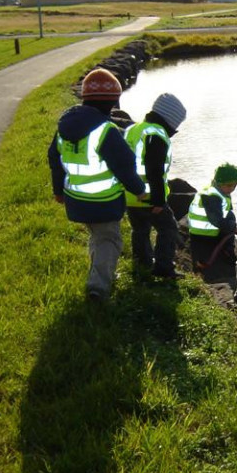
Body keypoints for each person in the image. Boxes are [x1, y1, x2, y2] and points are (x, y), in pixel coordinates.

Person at [48, 68, 148, 301]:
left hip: (75, 200)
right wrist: (139, 190)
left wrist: (57, 191)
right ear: (110, 103)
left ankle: (99, 274)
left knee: (97, 237)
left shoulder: (64, 127)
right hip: (104, 202)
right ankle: (98, 287)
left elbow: (54, 159)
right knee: (110, 240)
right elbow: (124, 166)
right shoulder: (106, 131)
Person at [124, 93, 187, 280]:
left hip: (130, 194)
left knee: (140, 230)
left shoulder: (134, 129)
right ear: (170, 120)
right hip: (150, 196)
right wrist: (159, 199)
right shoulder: (156, 134)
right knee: (168, 229)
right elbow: (154, 169)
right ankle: (163, 267)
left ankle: (142, 264)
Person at [187, 163, 237, 271]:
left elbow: (226, 212)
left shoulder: (219, 191)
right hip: (202, 234)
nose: (232, 188)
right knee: (229, 226)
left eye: (235, 185)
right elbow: (216, 219)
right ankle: (226, 254)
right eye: (228, 185)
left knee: (230, 216)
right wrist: (233, 228)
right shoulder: (211, 196)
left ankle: (224, 253)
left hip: (207, 231)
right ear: (219, 182)